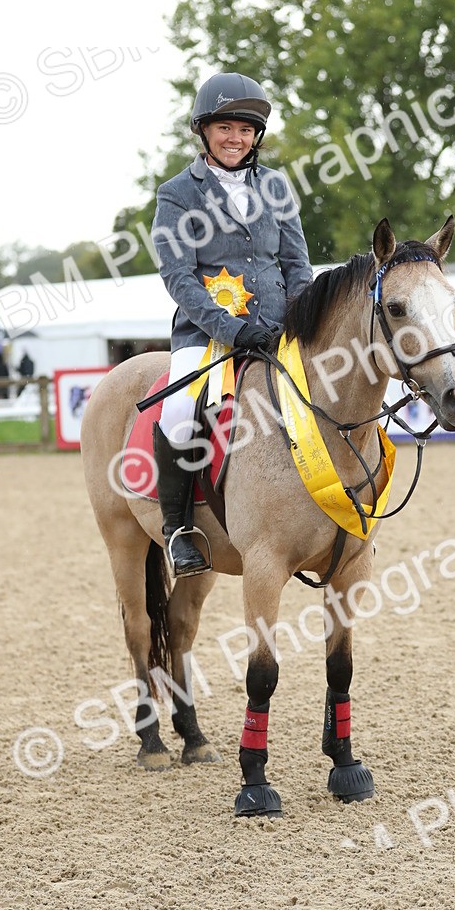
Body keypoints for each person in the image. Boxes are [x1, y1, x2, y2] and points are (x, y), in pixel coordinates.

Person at [150, 72, 314, 576]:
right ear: (203, 131)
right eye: (225, 128)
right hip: (206, 335)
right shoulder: (178, 194)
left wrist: (298, 319)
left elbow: (296, 265)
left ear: (256, 136)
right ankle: (178, 529)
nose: (235, 138)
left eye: (245, 130)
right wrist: (231, 330)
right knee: (178, 411)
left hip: (277, 328)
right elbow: (178, 277)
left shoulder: (276, 186)